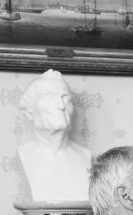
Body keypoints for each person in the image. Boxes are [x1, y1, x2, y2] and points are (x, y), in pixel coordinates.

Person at [16, 69, 92, 201]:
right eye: (49, 98)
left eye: (66, 99)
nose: (61, 106)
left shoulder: (85, 156)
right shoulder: (24, 155)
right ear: (29, 111)